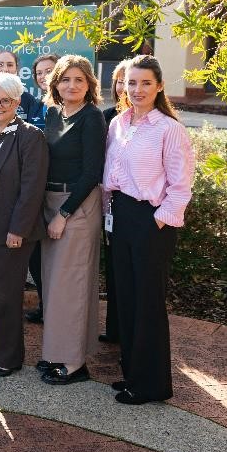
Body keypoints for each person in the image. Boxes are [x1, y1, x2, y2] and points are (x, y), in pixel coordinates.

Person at [104, 55, 194, 405]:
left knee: (147, 303)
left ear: (158, 86)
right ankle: (132, 374)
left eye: (145, 83)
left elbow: (182, 185)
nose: (137, 89)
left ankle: (151, 385)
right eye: (131, 82)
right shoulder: (118, 123)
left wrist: (159, 218)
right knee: (125, 298)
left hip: (150, 221)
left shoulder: (169, 129)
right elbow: (109, 176)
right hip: (120, 216)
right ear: (123, 85)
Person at [0, 73, 48, 378]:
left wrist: (19, 229)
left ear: (17, 102)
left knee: (7, 293)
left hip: (12, 226)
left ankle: (10, 358)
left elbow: (32, 188)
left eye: (5, 100)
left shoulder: (30, 136)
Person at [39, 55, 106, 386]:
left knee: (72, 286)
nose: (72, 86)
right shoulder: (52, 113)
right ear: (56, 83)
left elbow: (93, 172)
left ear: (89, 84)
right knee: (54, 285)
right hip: (50, 204)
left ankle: (76, 364)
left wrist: (64, 215)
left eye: (79, 80)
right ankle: (56, 352)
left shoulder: (92, 119)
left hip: (77, 206)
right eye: (66, 79)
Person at [22, 53, 59, 324]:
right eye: (40, 72)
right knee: (37, 252)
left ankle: (57, 310)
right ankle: (46, 306)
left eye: (50, 70)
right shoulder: (36, 105)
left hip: (59, 190)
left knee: (58, 255)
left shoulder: (70, 106)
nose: (45, 76)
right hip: (36, 188)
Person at [100, 58, 134, 343]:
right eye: (121, 81)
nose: (125, 86)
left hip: (140, 210)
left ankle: (130, 333)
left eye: (131, 80)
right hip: (110, 206)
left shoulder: (158, 121)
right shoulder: (108, 117)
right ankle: (114, 329)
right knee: (113, 269)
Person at [0, 50, 38, 121]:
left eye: (10, 65)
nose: (5, 69)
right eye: (0, 65)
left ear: (16, 69)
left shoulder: (28, 100)